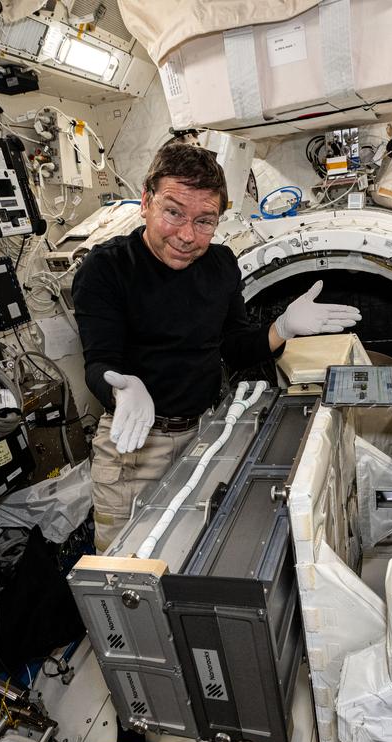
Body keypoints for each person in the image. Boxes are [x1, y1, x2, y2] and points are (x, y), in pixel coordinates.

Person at [73, 143, 361, 552]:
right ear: (145, 201)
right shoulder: (107, 268)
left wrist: (282, 328)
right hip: (133, 448)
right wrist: (119, 388)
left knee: (194, 550)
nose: (188, 236)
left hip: (203, 433)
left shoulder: (221, 264)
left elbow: (237, 347)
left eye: (205, 221)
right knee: (127, 570)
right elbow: (99, 361)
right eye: (173, 212)